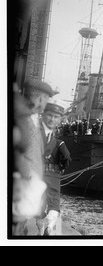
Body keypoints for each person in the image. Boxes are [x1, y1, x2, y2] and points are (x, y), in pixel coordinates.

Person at [12, 80, 55, 236]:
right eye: (46, 99)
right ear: (40, 99)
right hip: (21, 187)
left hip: (28, 191)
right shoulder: (22, 118)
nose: (45, 104)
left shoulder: (33, 119)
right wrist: (27, 175)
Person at [36, 99, 72, 235]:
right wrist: (62, 167)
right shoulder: (59, 143)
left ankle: (39, 232)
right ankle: (50, 228)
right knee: (54, 204)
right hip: (53, 175)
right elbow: (67, 158)